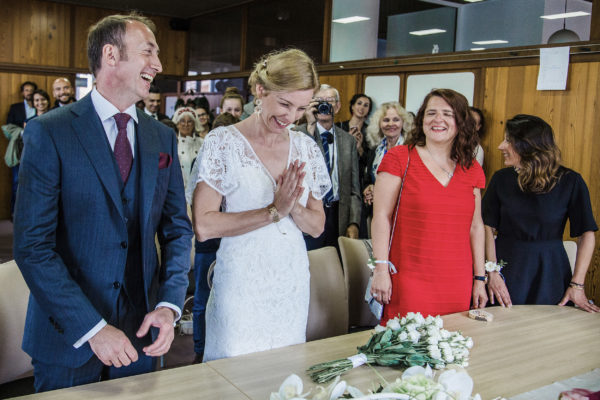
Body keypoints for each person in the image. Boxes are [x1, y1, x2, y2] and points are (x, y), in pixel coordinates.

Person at [13, 13, 193, 392]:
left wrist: (169, 305)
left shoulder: (161, 137)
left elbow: (177, 229)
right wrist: (92, 329)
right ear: (111, 55)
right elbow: (32, 247)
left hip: (141, 336)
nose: (158, 65)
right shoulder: (50, 131)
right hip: (69, 339)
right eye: (149, 52)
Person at [191, 48, 330, 361]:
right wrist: (273, 212)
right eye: (284, 104)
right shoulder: (222, 142)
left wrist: (291, 206)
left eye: (300, 108)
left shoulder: (306, 147)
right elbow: (204, 225)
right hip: (240, 283)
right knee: (233, 370)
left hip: (290, 282)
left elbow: (318, 225)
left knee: (284, 372)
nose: (291, 117)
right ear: (260, 90)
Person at [370, 88, 488, 320]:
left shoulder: (471, 167)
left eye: (447, 114)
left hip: (457, 280)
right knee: (408, 347)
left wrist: (480, 279)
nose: (438, 120)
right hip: (410, 276)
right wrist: (381, 269)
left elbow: (476, 227)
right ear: (421, 119)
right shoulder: (399, 158)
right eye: (431, 113)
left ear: (461, 122)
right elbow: (381, 217)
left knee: (453, 347)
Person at [482, 114, 598, 312]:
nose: (501, 146)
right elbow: (486, 226)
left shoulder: (571, 181)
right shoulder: (500, 179)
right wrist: (492, 272)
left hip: (550, 270)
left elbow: (587, 233)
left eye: (509, 140)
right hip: (506, 268)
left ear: (529, 146)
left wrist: (577, 285)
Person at [185, 111, 240, 363]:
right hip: (208, 237)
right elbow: (190, 198)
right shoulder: (204, 158)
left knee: (230, 294)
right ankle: (200, 348)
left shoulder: (242, 159)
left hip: (236, 235)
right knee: (203, 295)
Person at [295, 84, 362, 249]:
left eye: (329, 101)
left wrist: (354, 222)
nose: (324, 105)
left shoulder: (348, 141)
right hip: (309, 212)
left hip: (338, 214)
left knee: (336, 265)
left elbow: (354, 188)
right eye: (319, 101)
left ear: (337, 107)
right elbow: (301, 163)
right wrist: (310, 124)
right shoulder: (299, 134)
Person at [362, 102, 414, 220]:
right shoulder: (375, 150)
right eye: (386, 120)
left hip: (402, 213)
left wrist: (380, 191)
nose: (391, 124)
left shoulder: (411, 150)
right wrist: (369, 188)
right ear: (379, 124)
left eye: (396, 119)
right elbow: (368, 179)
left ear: (403, 123)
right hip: (377, 213)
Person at [172, 106, 203, 190]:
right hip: (178, 189)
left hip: (197, 189)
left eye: (189, 122)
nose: (186, 124)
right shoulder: (172, 143)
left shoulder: (202, 143)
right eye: (182, 121)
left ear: (194, 124)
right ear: (177, 124)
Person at [337, 93, 372, 163]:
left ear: (368, 110)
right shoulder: (338, 126)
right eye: (359, 103)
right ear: (352, 106)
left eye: (366, 105)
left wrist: (359, 148)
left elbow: (369, 161)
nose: (362, 107)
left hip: (360, 171)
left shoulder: (370, 131)